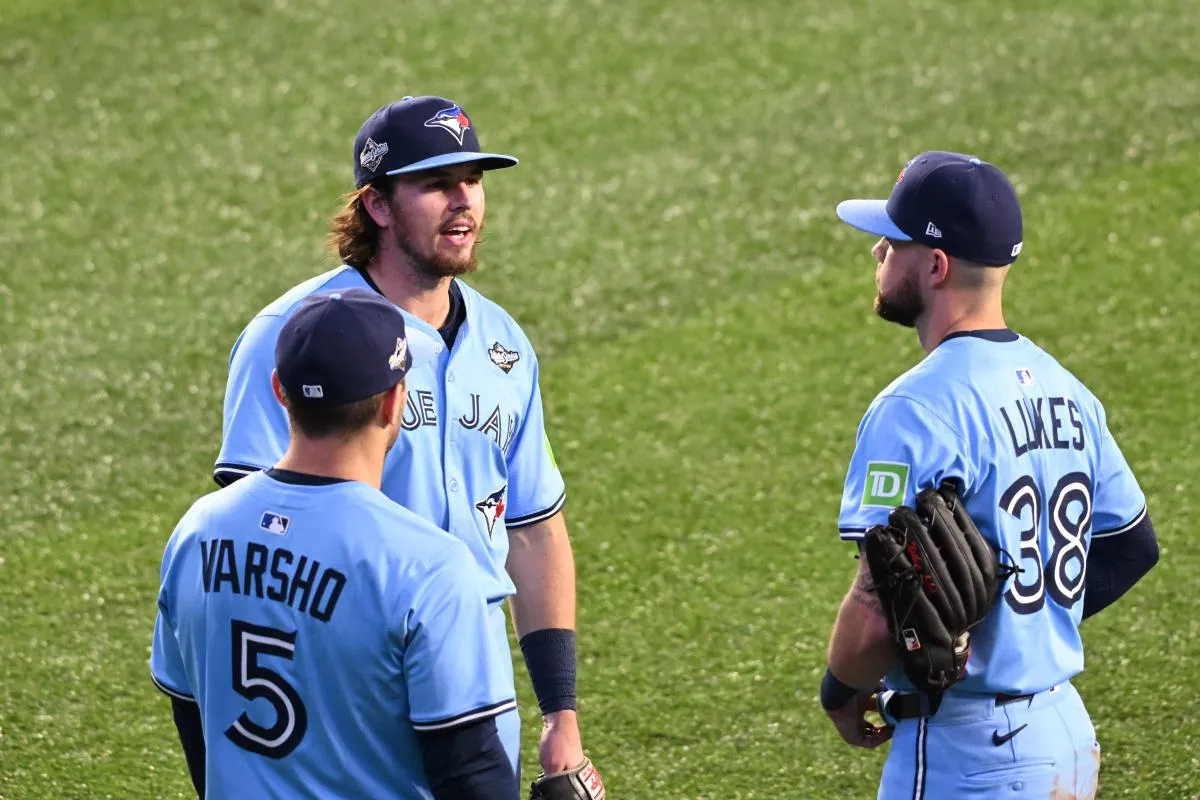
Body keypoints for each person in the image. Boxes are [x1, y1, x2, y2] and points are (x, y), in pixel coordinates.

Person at [213, 95, 597, 785]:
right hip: (344, 695)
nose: (465, 202)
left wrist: (560, 718)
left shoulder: (504, 341)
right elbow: (253, 535)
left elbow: (534, 530)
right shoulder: (292, 335)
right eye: (435, 184)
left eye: (473, 180)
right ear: (379, 206)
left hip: (476, 691)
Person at [819, 151, 1160, 798]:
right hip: (1064, 734)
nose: (878, 254)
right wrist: (1025, 634)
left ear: (936, 266)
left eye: (893, 242)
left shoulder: (912, 410)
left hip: (969, 754)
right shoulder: (1067, 390)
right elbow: (1131, 544)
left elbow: (874, 610)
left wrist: (839, 692)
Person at [151, 288, 519, 799]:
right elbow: (471, 769)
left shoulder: (197, 533)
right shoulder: (427, 567)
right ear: (394, 401)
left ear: (280, 391)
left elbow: (195, 722)